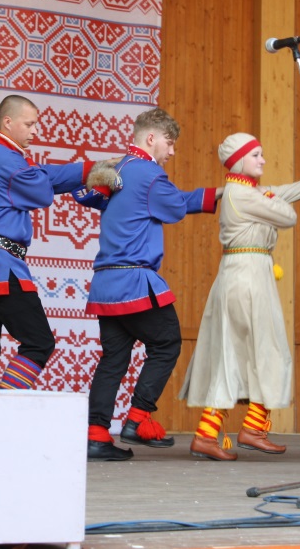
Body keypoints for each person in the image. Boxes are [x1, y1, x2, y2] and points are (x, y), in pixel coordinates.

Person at [80, 107, 219, 462]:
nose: (172, 152)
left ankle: (96, 434)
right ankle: (139, 419)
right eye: (169, 144)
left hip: (105, 282)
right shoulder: (149, 176)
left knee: (114, 358)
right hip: (133, 280)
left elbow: (86, 195)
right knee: (167, 342)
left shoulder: (116, 170)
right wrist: (220, 193)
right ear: (152, 138)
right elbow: (177, 206)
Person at [178, 133, 300, 460]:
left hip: (246, 273)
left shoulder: (243, 192)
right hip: (247, 276)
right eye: (256, 155)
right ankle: (236, 430)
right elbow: (288, 215)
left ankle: (226, 431)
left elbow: (282, 193)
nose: (263, 160)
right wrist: (275, 196)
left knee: (248, 351)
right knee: (256, 351)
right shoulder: (242, 196)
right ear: (240, 161)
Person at [0, 94, 92, 391]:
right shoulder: (8, 160)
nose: (34, 131)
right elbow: (42, 188)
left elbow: (44, 175)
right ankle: (3, 410)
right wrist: (97, 171)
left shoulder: (1, 156)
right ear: (8, 122)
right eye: (29, 124)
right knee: (39, 342)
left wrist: (92, 170)